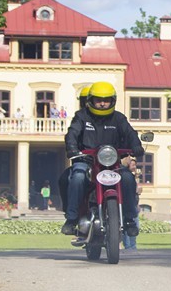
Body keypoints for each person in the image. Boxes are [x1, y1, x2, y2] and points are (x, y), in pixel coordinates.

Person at [61, 81, 144, 236]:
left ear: (113, 101)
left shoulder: (119, 118)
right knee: (78, 177)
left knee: (127, 179)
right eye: (98, 100)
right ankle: (71, 219)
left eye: (106, 100)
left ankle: (129, 219)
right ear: (91, 100)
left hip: (112, 164)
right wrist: (72, 147)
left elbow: (130, 133)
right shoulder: (82, 116)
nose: (102, 104)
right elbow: (72, 133)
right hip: (86, 161)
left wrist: (137, 146)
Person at [121, 157, 140, 251]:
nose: (134, 167)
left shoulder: (132, 177)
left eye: (135, 165)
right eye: (133, 165)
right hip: (127, 203)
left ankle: (132, 246)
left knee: (134, 224)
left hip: (133, 203)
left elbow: (135, 194)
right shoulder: (127, 175)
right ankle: (128, 246)